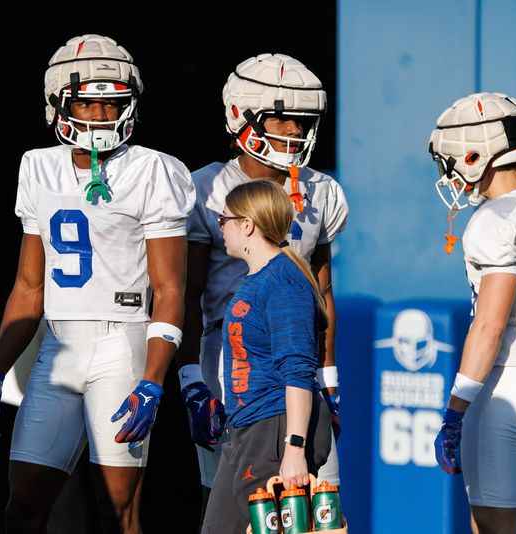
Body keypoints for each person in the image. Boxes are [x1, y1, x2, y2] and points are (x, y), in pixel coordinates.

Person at [0, 35, 194, 534]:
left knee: (118, 510)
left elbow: (171, 287)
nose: (99, 114)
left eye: (111, 102)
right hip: (59, 345)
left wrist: (153, 380)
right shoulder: (38, 165)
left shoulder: (151, 169)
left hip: (124, 340)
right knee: (23, 505)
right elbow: (29, 286)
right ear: (58, 102)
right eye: (87, 101)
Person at [175, 53, 348, 513]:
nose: (294, 130)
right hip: (229, 360)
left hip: (299, 365)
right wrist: (191, 378)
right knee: (233, 503)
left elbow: (324, 295)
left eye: (302, 120)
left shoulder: (322, 191)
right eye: (281, 117)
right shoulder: (205, 187)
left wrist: (330, 380)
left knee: (315, 504)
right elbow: (186, 293)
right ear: (242, 115)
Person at [431, 92, 516, 534]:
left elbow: (490, 324)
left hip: (507, 386)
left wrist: (456, 411)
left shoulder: (495, 219)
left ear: (475, 153)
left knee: (496, 528)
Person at [201, 179, 332, 533]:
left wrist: (294, 448)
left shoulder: (283, 282)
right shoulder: (258, 278)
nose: (220, 229)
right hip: (252, 427)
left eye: (224, 220)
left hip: (276, 429)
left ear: (247, 225)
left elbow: (298, 372)